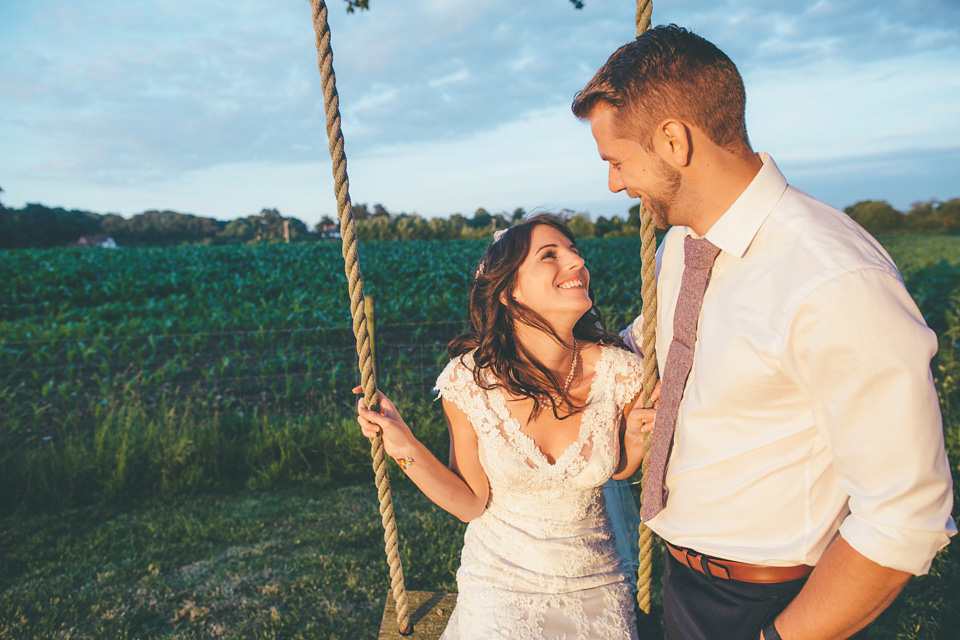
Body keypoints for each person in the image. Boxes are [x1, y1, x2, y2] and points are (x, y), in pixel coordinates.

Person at [571, 24, 955, 640]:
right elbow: (656, 343)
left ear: (672, 140)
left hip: (773, 606)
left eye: (617, 161)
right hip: (686, 580)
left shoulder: (831, 280)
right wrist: (524, 355)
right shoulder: (683, 246)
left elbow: (906, 516)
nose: (615, 184)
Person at [355, 213, 657, 640]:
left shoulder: (622, 374)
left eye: (575, 252)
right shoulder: (469, 381)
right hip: (499, 585)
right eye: (550, 255)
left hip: (596, 586)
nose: (577, 263)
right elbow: (469, 503)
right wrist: (403, 445)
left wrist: (631, 443)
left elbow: (616, 470)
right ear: (508, 290)